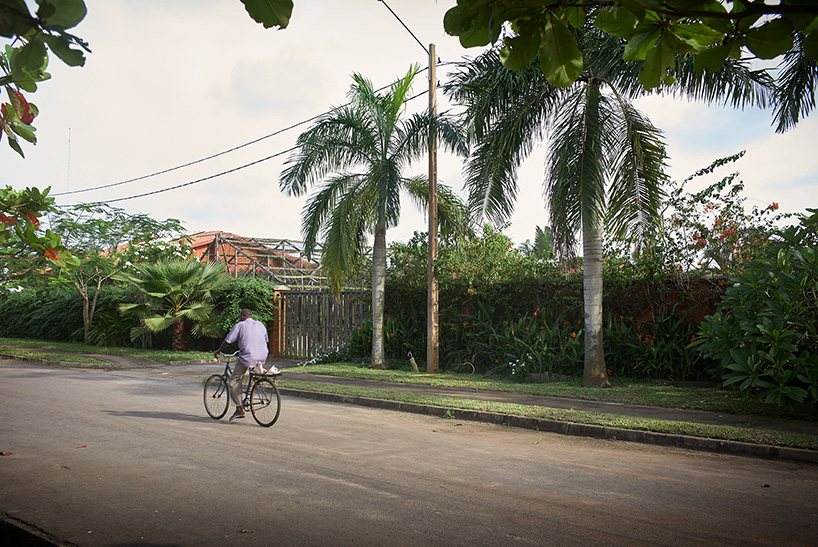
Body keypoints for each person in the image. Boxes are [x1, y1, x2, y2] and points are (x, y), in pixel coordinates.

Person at [214, 308, 279, 421]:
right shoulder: (260, 324)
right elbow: (266, 340)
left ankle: (239, 409)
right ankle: (250, 391)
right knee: (252, 372)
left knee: (234, 380)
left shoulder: (240, 325)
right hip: (262, 356)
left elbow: (228, 341)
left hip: (248, 356)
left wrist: (218, 350)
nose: (240, 318)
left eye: (240, 316)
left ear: (243, 316)